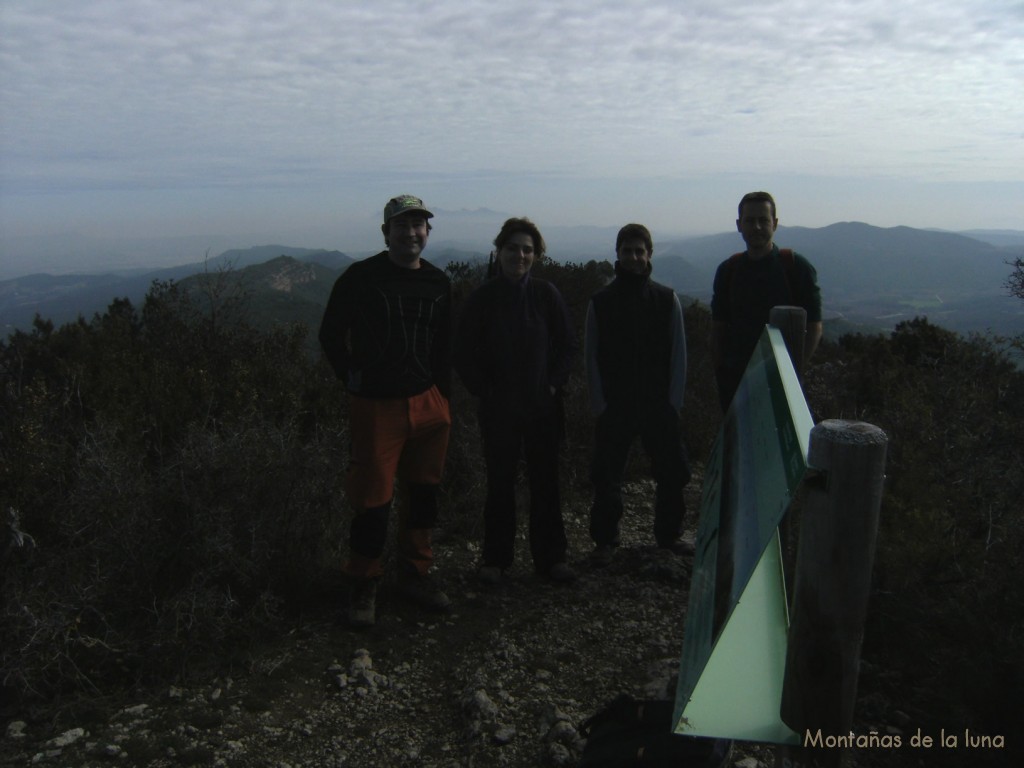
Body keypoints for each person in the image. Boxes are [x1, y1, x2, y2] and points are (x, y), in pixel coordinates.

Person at [318, 194, 453, 627]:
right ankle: (364, 581)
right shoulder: (361, 277)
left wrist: (442, 394)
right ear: (385, 233)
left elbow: (447, 341)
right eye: (402, 225)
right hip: (377, 406)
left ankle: (415, 574)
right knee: (372, 498)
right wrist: (352, 379)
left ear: (427, 233)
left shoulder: (439, 282)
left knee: (424, 494)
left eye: (418, 225)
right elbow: (331, 334)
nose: (411, 233)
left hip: (428, 404)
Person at [453, 217, 577, 584]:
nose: (519, 255)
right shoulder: (483, 298)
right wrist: (483, 390)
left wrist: (553, 385)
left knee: (546, 482)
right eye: (512, 248)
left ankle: (552, 559)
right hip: (498, 410)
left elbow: (567, 345)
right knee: (500, 484)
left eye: (527, 249)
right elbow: (461, 352)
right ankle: (495, 559)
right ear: (499, 251)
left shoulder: (545, 294)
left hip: (542, 408)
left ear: (536, 255)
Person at [585, 223, 692, 566]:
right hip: (615, 405)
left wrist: (674, 402)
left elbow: (679, 354)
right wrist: (599, 403)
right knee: (606, 474)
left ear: (649, 255)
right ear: (617, 254)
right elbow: (591, 355)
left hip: (659, 404)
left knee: (672, 472)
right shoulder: (600, 302)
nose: (633, 257)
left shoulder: (666, 298)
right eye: (627, 251)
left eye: (639, 251)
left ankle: (669, 536)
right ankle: (605, 541)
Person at [710, 191, 823, 412]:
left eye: (764, 220)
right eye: (750, 220)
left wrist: (793, 373)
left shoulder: (796, 268)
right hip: (735, 383)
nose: (757, 227)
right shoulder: (728, 270)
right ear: (739, 225)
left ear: (775, 224)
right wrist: (721, 373)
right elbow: (718, 329)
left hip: (782, 385)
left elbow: (814, 327)